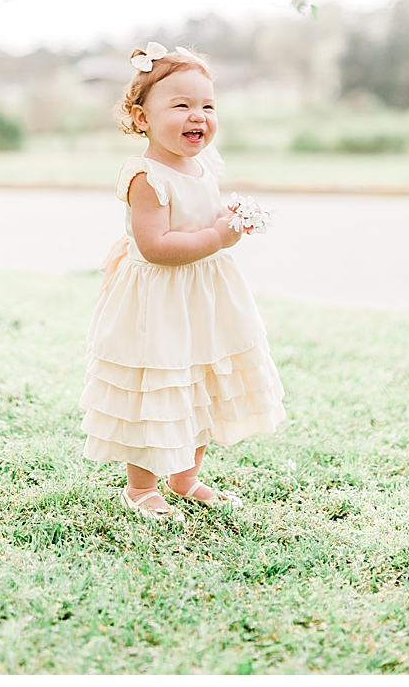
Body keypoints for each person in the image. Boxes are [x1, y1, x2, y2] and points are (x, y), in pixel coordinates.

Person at [80, 42, 285, 521]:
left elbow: (207, 216)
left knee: (202, 381)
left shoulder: (204, 165)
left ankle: (186, 477)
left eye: (208, 105)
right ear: (142, 117)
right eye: (182, 105)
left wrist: (231, 221)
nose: (199, 116)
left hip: (205, 296)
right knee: (156, 385)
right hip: (159, 299)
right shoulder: (146, 177)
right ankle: (140, 487)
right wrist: (216, 236)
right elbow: (158, 246)